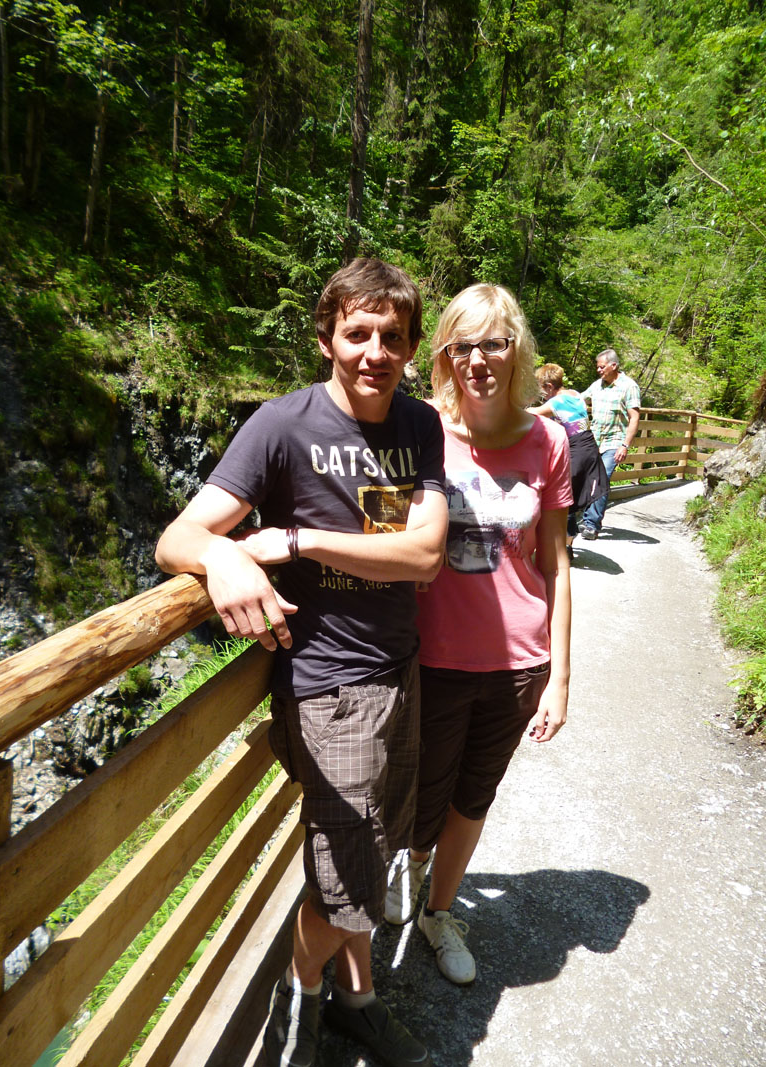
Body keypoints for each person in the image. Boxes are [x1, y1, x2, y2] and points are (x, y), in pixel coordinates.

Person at [155, 258, 449, 1067]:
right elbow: (178, 537)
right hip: (328, 688)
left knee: (371, 856)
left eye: (393, 336)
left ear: (410, 347)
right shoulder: (280, 426)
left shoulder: (419, 425)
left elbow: (424, 553)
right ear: (327, 338)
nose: (375, 352)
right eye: (358, 333)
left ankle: (357, 1001)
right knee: (347, 886)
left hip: (401, 669)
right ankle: (299, 998)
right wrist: (223, 559)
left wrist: (296, 540)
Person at [383, 284, 571, 986]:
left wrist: (560, 677)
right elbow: (378, 529)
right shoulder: (420, 429)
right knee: (423, 793)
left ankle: (439, 912)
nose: (478, 359)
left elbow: (556, 562)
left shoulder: (548, 441)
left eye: (493, 343)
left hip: (518, 660)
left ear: (516, 350)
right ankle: (412, 866)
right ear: (444, 355)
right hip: (432, 655)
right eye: (463, 345)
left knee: (474, 796)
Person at [529, 363, 609, 559]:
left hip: (577, 450)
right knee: (569, 498)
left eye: (541, 389)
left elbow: (532, 413)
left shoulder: (556, 402)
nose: (542, 394)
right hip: (589, 447)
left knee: (564, 498)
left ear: (549, 386)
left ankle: (562, 548)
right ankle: (567, 546)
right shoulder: (575, 394)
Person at [578, 348, 641, 539]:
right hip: (594, 440)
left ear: (613, 366)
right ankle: (583, 517)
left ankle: (591, 524)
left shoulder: (629, 386)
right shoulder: (597, 385)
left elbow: (634, 417)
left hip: (614, 441)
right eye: (597, 367)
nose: (598, 370)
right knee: (587, 478)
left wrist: (625, 445)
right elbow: (579, 399)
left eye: (602, 367)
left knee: (602, 478)